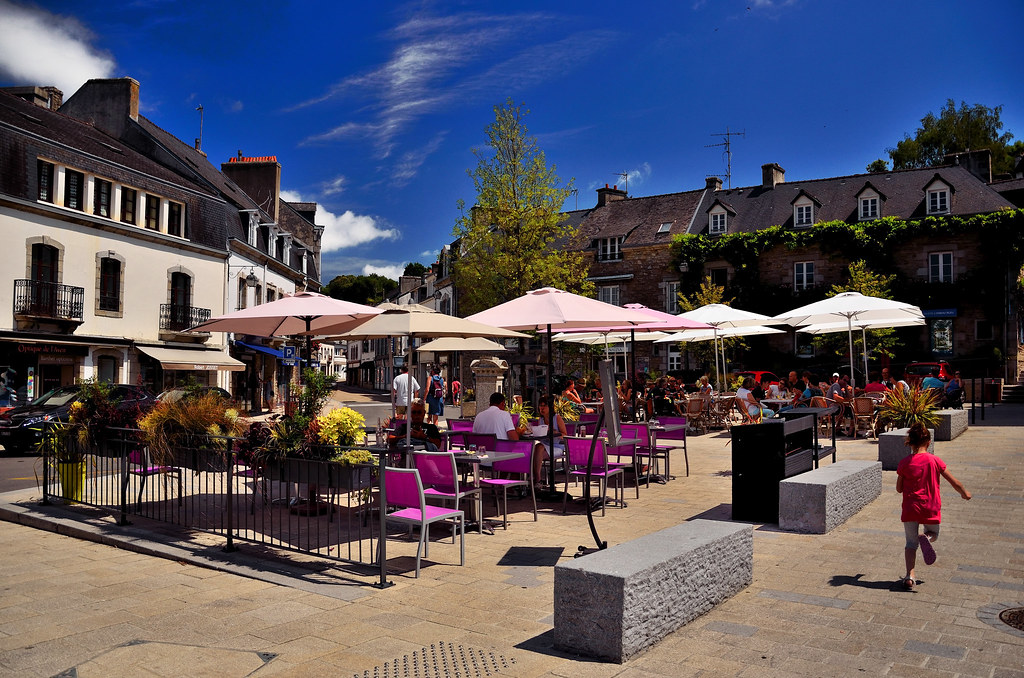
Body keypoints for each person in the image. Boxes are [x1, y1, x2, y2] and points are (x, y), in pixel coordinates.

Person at [896, 423, 971, 590]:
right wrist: (964, 492)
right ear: (928, 443)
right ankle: (927, 539)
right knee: (934, 533)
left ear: (911, 443)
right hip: (930, 507)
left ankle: (910, 576)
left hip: (910, 508)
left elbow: (899, 488)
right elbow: (954, 482)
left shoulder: (904, 463)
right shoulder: (935, 460)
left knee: (910, 543)